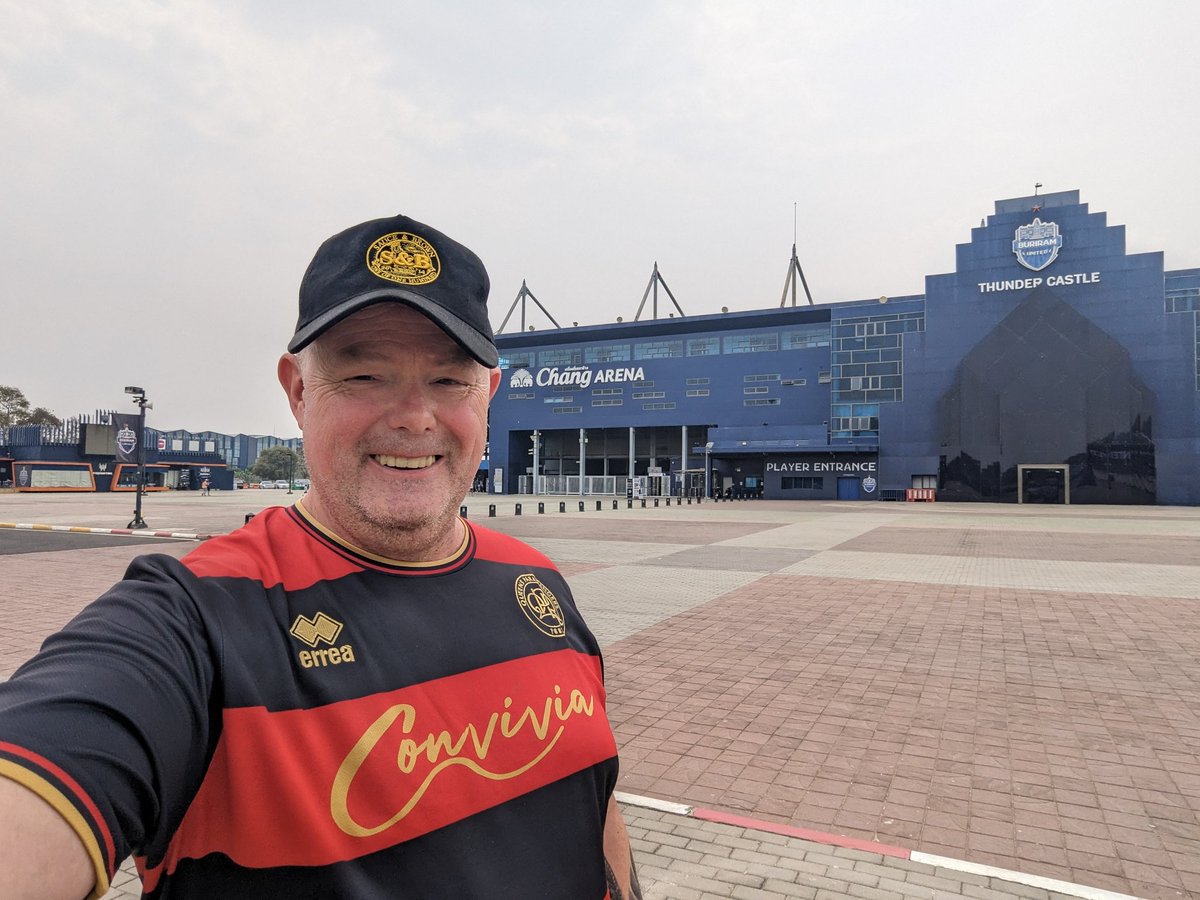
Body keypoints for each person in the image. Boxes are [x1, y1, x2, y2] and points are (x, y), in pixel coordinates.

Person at [0, 214, 641, 900]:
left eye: (449, 381)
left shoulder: (537, 583)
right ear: (299, 392)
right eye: (365, 375)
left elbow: (594, 798)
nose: (414, 416)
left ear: (489, 395)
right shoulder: (198, 618)